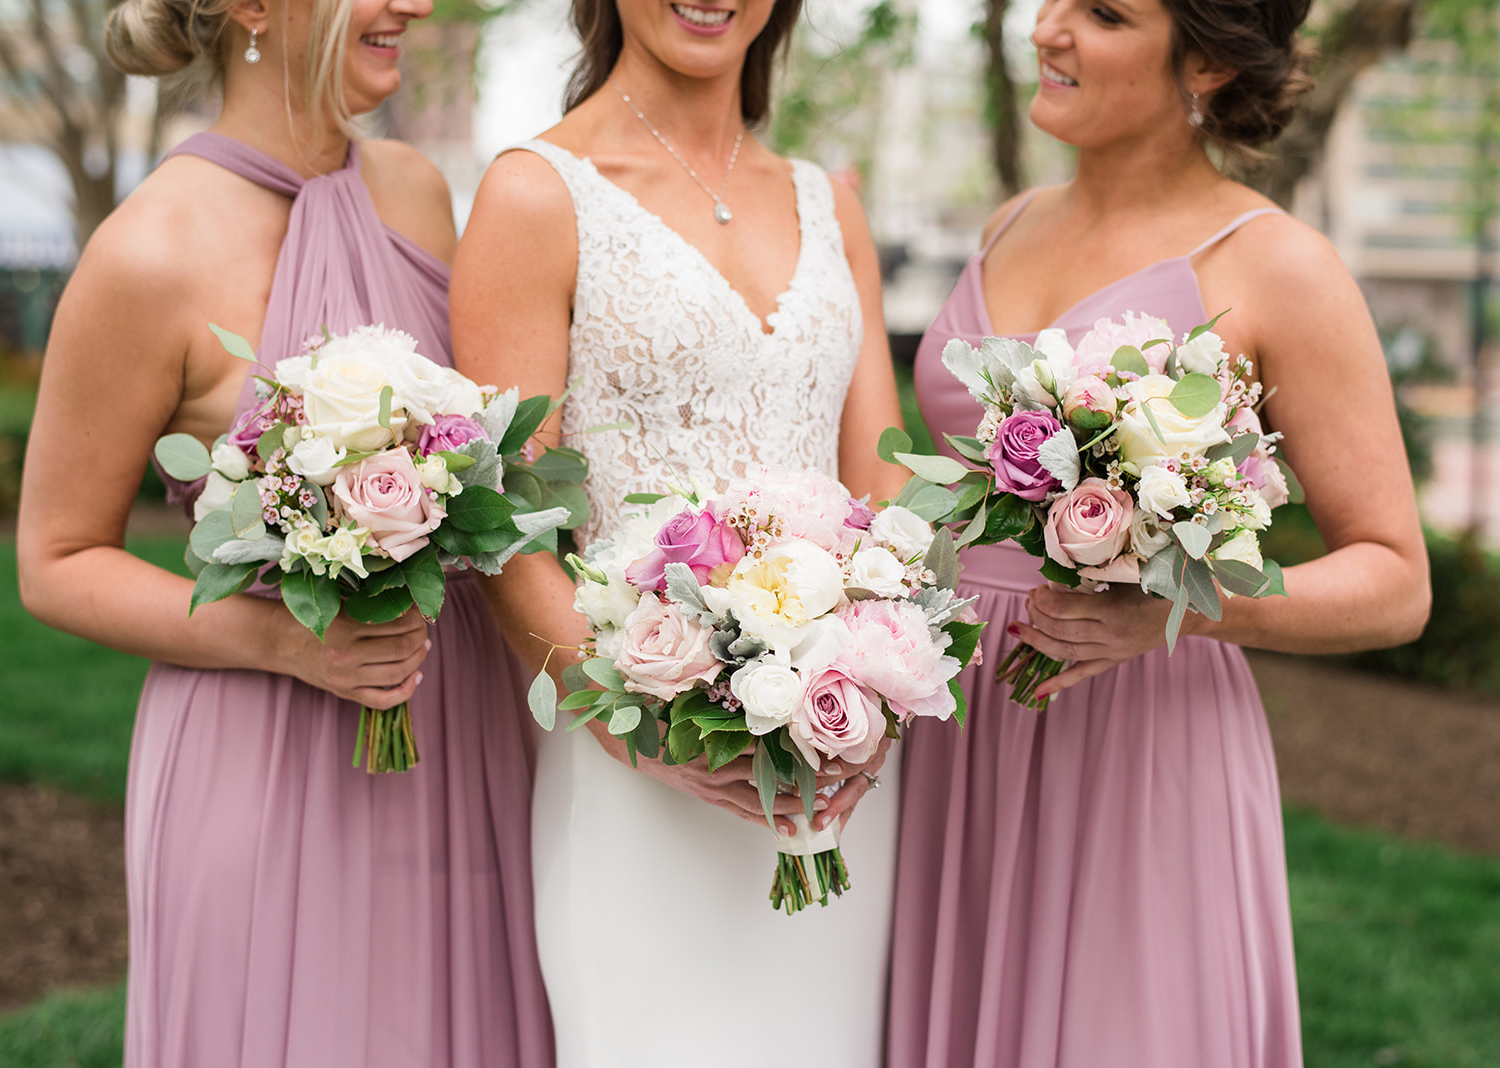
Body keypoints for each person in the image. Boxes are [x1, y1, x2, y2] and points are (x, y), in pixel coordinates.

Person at [889, 0, 1430, 1065]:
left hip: (1141, 735)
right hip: (960, 727)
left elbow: (1397, 580)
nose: (1048, 30)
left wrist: (1176, 608)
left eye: (1104, 14)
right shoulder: (1008, 222)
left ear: (1210, 64)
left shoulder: (1281, 266)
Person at [16, 1, 552, 1064]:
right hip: (265, 754)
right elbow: (54, 560)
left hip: (460, 730)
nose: (416, 5)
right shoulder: (147, 253)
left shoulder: (415, 189)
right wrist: (284, 641)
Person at [450, 1, 909, 1064]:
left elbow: (883, 478)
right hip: (634, 758)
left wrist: (876, 671)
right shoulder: (536, 194)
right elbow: (510, 522)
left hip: (833, 763)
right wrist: (634, 731)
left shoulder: (831, 203)